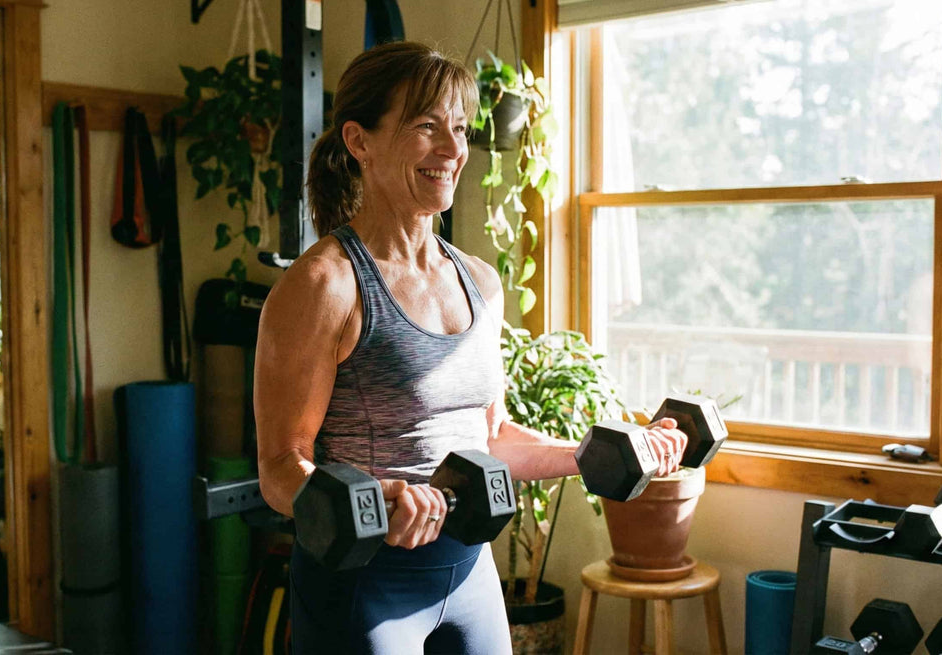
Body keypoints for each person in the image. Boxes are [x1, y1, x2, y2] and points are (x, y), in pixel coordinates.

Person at [253, 41, 687, 655]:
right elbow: (279, 467)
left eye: (458, 128)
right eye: (426, 127)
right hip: (363, 587)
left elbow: (491, 437)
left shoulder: (479, 281)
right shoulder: (325, 284)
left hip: (469, 575)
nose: (454, 150)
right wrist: (376, 499)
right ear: (359, 141)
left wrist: (608, 449)